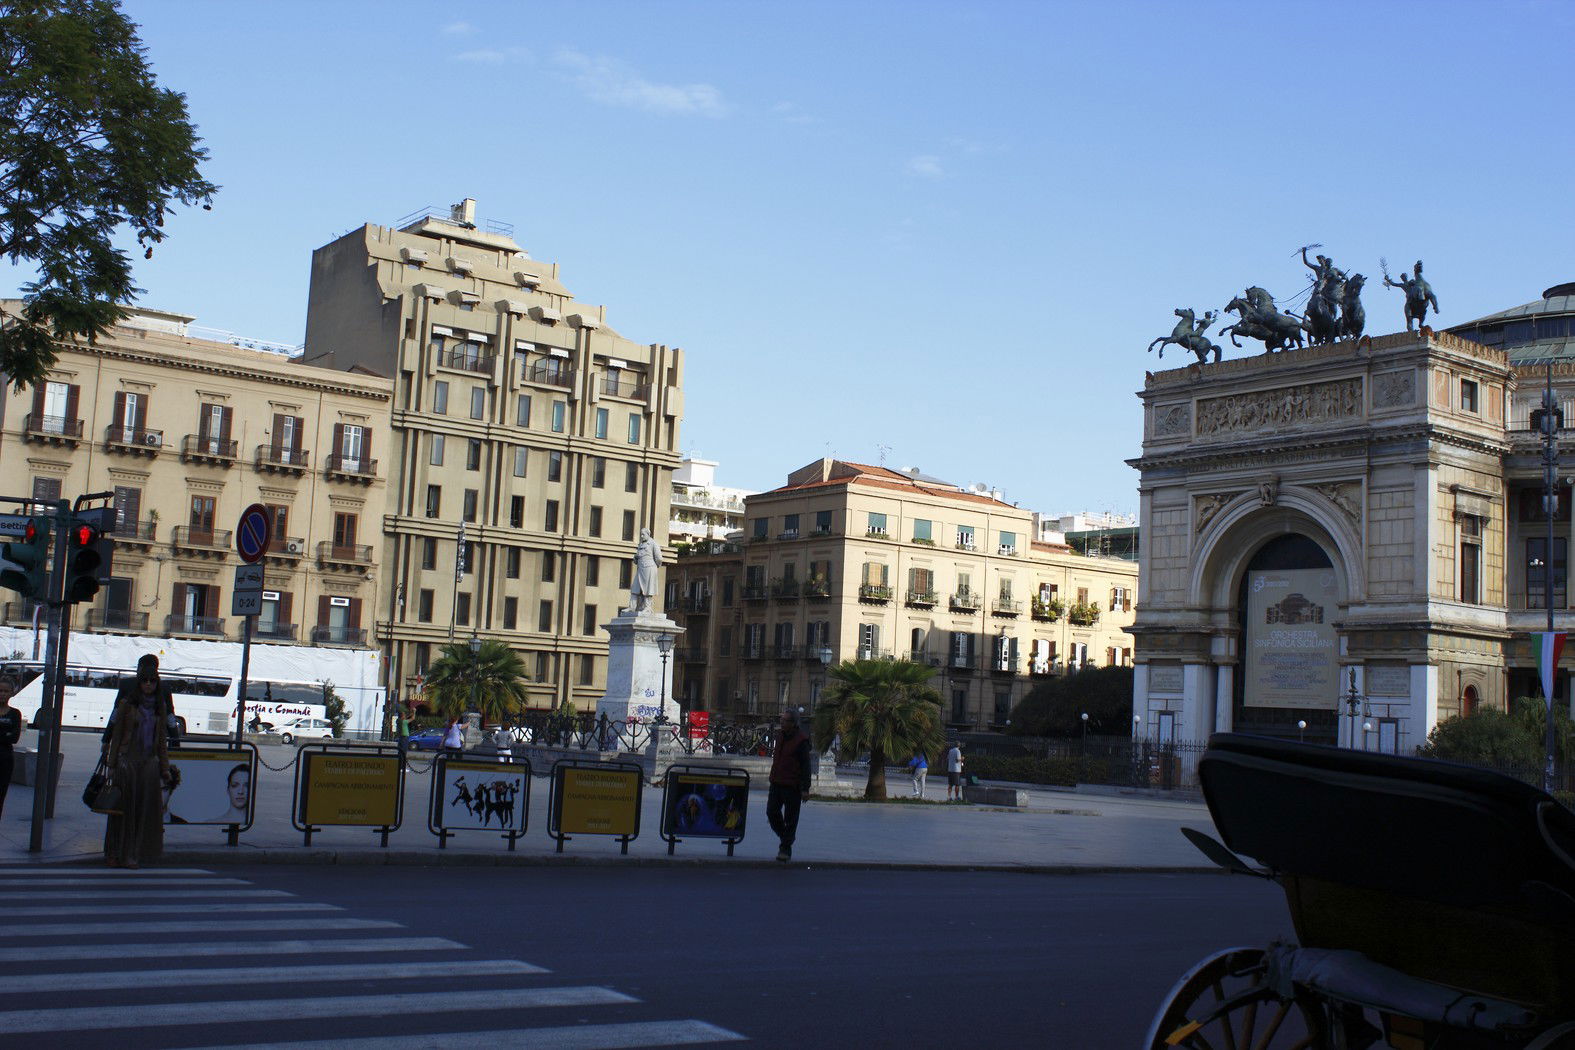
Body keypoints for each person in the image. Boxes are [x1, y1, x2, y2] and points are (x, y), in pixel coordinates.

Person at [104, 658, 173, 868]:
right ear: (139, 679)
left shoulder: (160, 704)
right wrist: (111, 760)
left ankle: (133, 852)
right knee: (122, 810)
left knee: (142, 812)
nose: (149, 684)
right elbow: (116, 729)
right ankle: (115, 852)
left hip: (148, 764)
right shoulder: (127, 701)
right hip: (127, 762)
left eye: (153, 680)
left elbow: (162, 738)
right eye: (145, 680)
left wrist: (165, 767)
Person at [766, 708, 812, 863]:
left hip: (792, 785)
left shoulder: (801, 741)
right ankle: (787, 837)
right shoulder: (780, 736)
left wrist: (805, 788)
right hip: (776, 782)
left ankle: (785, 848)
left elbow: (806, 766)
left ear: (793, 723)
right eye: (781, 719)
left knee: (790, 818)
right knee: (771, 812)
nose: (781, 722)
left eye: (785, 720)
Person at [629, 527, 662, 613]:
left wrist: (655, 566)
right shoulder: (640, 545)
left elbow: (659, 558)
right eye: (641, 534)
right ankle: (632, 607)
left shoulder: (653, 544)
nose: (642, 536)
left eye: (643, 534)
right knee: (635, 588)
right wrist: (635, 558)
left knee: (648, 589)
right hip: (640, 569)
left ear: (648, 534)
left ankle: (647, 607)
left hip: (649, 569)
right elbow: (636, 559)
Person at [0, 679, 19, 819]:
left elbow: (14, 737)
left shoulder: (15, 714)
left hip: (5, 761)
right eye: (0, 691)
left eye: (6, 691)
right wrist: (4, 733)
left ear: (11, 693)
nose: (2, 694)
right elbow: (8, 735)